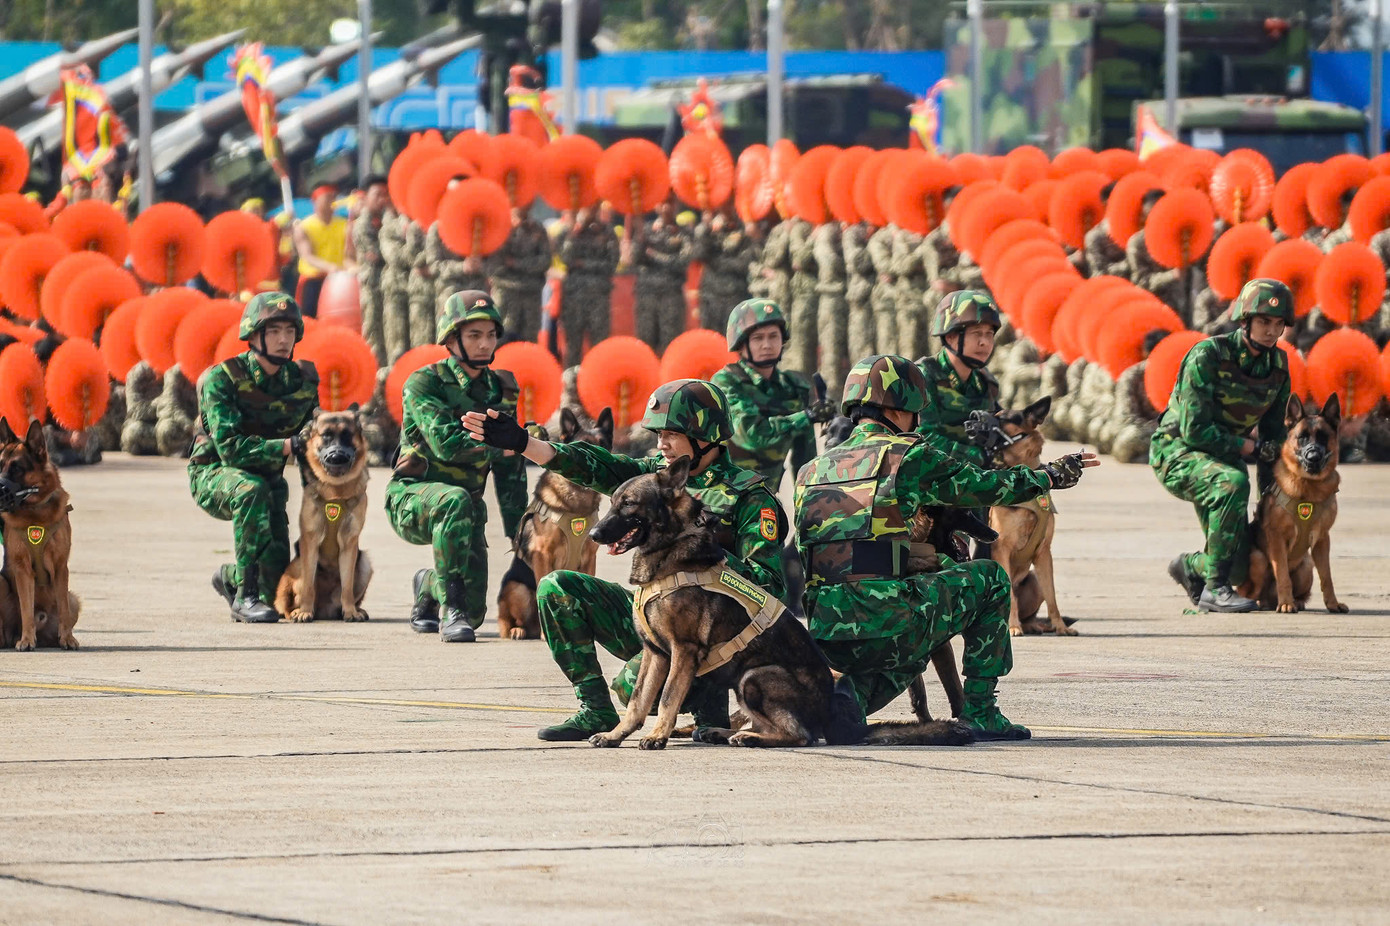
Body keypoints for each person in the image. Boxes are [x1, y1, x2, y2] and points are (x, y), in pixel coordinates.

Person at [462, 380, 788, 742]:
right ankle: (595, 710)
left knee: (632, 684)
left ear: (705, 436)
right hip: (656, 624)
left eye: (672, 433)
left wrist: (706, 556)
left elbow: (769, 588)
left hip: (710, 642)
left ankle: (705, 708)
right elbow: (594, 465)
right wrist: (525, 444)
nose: (661, 442)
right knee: (558, 587)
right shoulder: (653, 477)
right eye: (658, 433)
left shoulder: (749, 497)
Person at [796, 354, 1096, 741]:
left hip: (828, 630)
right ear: (902, 408)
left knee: (904, 634)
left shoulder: (811, 470)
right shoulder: (909, 455)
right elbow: (983, 485)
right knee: (987, 579)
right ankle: (981, 710)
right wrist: (1048, 476)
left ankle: (847, 697)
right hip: (885, 617)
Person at [386, 291, 527, 642]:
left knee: (476, 612)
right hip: (413, 498)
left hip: (466, 509)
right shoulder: (424, 383)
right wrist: (509, 447)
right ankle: (451, 610)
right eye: (474, 335)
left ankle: (430, 585)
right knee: (456, 499)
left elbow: (512, 470)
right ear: (451, 339)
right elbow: (448, 445)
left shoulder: (503, 387)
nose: (485, 344)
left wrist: (519, 534)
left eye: (491, 335)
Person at [1150, 278, 1294, 613]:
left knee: (1241, 566)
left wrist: (1270, 501)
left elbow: (1273, 440)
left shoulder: (1278, 367)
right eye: (1263, 322)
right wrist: (1247, 447)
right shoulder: (1209, 355)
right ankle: (1215, 590)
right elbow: (1194, 430)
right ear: (1245, 321)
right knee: (1232, 483)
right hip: (1178, 452)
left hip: (1226, 459)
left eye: (1278, 324)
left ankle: (1190, 566)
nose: (1271, 332)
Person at [189, 293, 319, 623]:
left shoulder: (302, 381)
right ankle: (244, 597)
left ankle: (232, 577)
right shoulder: (223, 378)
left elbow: (310, 447)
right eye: (274, 331)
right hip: (215, 474)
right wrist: (286, 447)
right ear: (254, 335)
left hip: (269, 484)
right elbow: (230, 449)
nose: (283, 339)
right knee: (250, 488)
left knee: (276, 587)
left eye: (289, 331)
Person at [710, 299, 831, 489]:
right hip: (724, 499)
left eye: (773, 336)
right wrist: (806, 416)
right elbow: (752, 435)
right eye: (758, 338)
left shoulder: (793, 387)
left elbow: (805, 461)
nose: (767, 345)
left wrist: (809, 507)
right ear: (741, 344)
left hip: (765, 498)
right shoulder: (727, 382)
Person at [915, 291, 1003, 467]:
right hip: (930, 477)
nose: (984, 342)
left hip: (970, 477)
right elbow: (922, 438)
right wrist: (980, 456)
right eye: (977, 333)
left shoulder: (985, 382)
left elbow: (998, 428)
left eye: (989, 334)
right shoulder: (922, 377)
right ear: (951, 337)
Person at [557, 206, 620, 368]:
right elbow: (566, 257)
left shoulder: (607, 232)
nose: (589, 210)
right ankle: (571, 385)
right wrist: (575, 230)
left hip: (598, 297)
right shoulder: (569, 232)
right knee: (572, 347)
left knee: (600, 347)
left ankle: (598, 384)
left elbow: (611, 264)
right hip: (573, 299)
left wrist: (583, 263)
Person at [632, 198, 691, 353]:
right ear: (656, 205)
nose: (666, 207)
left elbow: (681, 262)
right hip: (647, 295)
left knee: (671, 346)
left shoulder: (683, 233)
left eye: (669, 202)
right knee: (645, 346)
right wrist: (638, 238)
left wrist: (654, 255)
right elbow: (635, 258)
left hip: (671, 296)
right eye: (662, 202)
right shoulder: (645, 230)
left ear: (676, 205)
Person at [488, 203, 552, 343]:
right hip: (505, 291)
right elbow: (495, 260)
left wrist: (517, 264)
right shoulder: (500, 228)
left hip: (531, 292)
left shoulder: (537, 229)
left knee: (529, 340)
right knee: (501, 338)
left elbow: (545, 261)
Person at [349, 175, 390, 364]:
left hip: (389, 287)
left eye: (385, 195)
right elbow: (377, 254)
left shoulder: (387, 221)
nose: (383, 199)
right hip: (372, 286)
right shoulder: (362, 224)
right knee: (374, 334)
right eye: (377, 194)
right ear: (365, 197)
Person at [293, 185, 350, 318]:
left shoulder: (345, 224)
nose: (332, 201)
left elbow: (350, 253)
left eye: (333, 197)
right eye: (327, 198)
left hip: (339, 278)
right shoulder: (304, 227)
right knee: (311, 319)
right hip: (314, 280)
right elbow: (307, 256)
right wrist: (330, 267)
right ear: (315, 201)